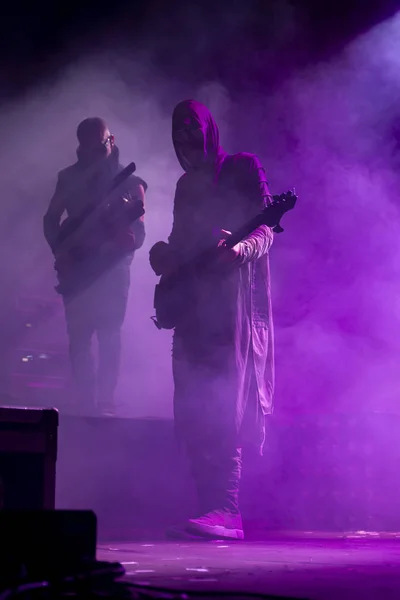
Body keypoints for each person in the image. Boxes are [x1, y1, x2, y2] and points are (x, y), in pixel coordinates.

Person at [149, 100, 274, 540]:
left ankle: (228, 509)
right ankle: (209, 508)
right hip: (192, 310)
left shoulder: (242, 167)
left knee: (223, 405)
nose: (184, 140)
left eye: (191, 129)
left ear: (208, 130)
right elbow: (179, 242)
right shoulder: (186, 186)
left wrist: (240, 249)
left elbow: (266, 229)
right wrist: (162, 254)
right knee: (195, 409)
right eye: (177, 132)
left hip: (232, 310)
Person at [44, 117, 147, 416]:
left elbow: (138, 234)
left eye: (99, 145)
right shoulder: (68, 178)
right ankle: (86, 401)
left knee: (109, 335)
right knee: (79, 338)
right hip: (77, 269)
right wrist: (60, 251)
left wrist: (124, 239)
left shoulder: (129, 183)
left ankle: (105, 402)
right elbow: (51, 219)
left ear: (110, 141)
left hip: (111, 271)